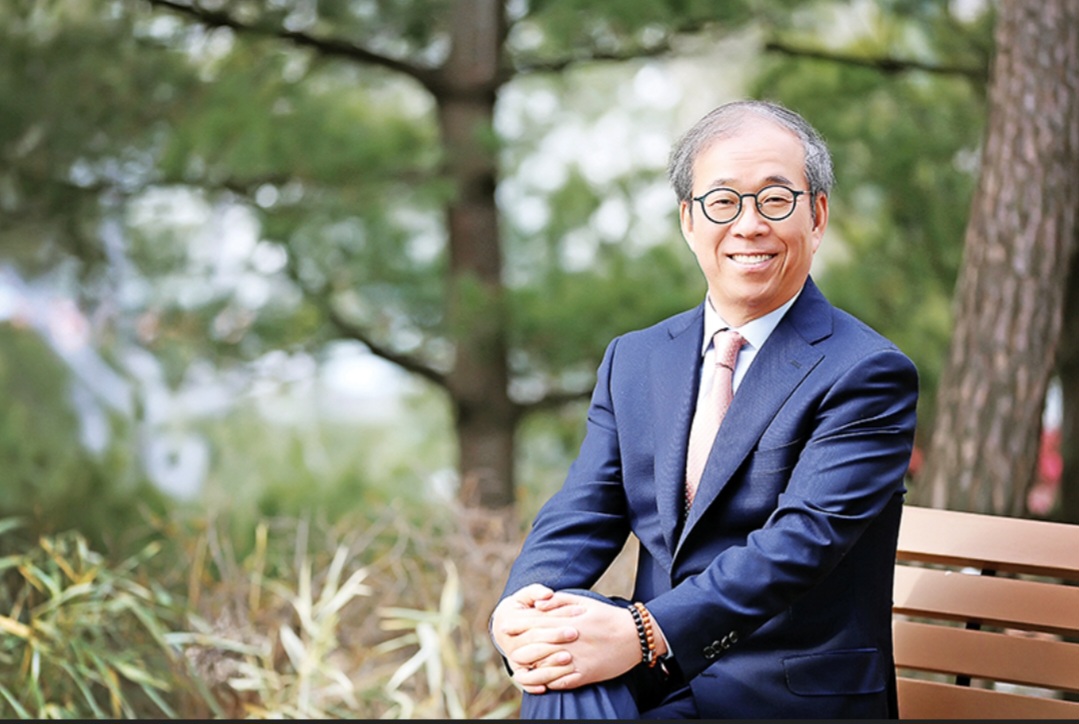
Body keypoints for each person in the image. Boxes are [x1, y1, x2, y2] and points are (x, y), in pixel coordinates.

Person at [489, 99, 919, 719]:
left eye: (776, 199)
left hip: (784, 694)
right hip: (655, 679)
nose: (749, 224)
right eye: (722, 202)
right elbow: (584, 509)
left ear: (818, 216)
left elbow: (800, 543)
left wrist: (642, 633)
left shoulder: (866, 372)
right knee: (564, 659)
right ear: (689, 220)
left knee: (570, 675)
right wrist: (521, 609)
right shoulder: (635, 359)